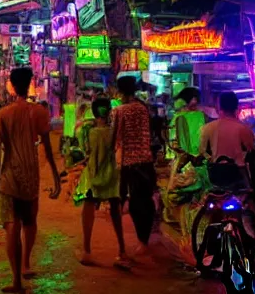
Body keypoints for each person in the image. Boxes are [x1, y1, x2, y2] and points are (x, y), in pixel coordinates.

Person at [0, 68, 64, 293]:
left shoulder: (3, 114)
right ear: (30, 84)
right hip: (31, 171)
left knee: (12, 224)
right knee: (30, 220)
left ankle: (16, 280)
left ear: (12, 86)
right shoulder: (39, 112)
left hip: (10, 172)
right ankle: (26, 263)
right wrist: (55, 176)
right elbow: (48, 146)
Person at [112, 76, 193, 275]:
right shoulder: (143, 108)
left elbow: (115, 137)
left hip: (129, 163)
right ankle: (144, 240)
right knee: (144, 201)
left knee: (132, 203)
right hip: (146, 161)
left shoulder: (120, 111)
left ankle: (139, 243)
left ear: (119, 91)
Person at [74, 98, 129, 269]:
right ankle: (122, 250)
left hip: (92, 173)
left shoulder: (86, 131)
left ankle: (86, 250)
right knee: (115, 209)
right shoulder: (114, 131)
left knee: (88, 208)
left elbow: (83, 148)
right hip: (111, 173)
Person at [200, 92, 255, 193]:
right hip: (238, 177)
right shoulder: (244, 129)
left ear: (218, 107)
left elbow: (202, 153)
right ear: (237, 107)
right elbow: (251, 152)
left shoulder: (207, 128)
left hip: (214, 177)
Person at [171, 88, 205, 175]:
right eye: (195, 99)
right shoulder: (199, 115)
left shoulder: (198, 115)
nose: (196, 102)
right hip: (192, 157)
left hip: (184, 158)